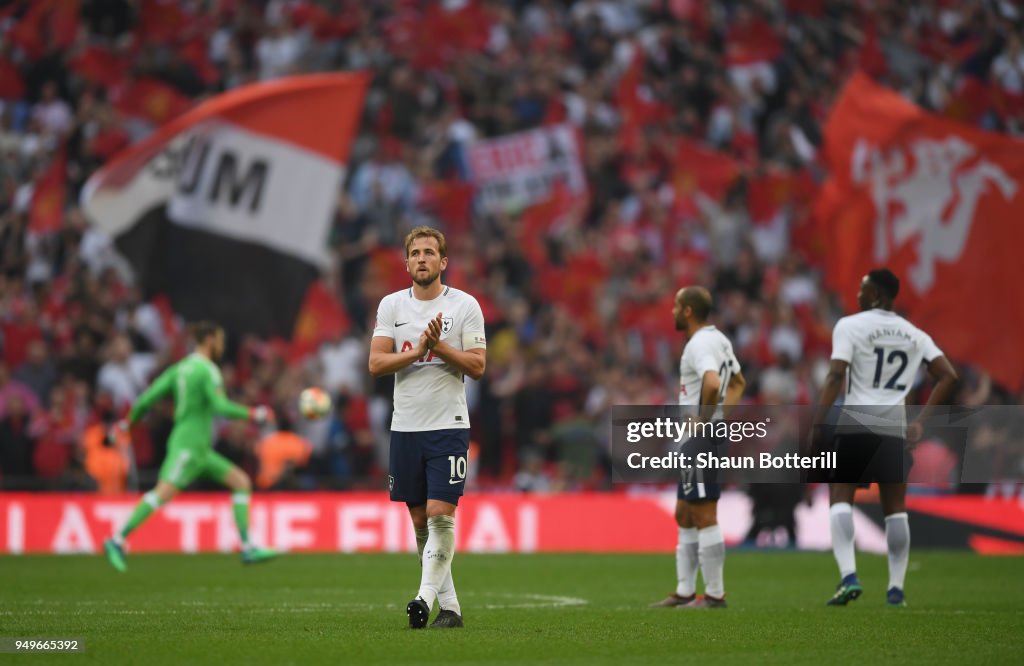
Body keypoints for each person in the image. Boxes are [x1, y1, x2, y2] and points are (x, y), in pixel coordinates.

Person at [810, 269, 958, 607]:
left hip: (857, 424)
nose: (858, 294)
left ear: (877, 294)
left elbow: (835, 374)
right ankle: (896, 589)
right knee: (895, 509)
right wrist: (920, 422)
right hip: (893, 428)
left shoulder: (850, 325)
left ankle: (849, 577)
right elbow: (948, 376)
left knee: (840, 496)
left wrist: (818, 424)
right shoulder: (914, 334)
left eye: (863, 289)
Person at [368, 226, 486, 629]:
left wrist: (440, 348)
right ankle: (450, 610)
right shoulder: (392, 307)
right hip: (405, 427)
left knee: (440, 514)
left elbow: (478, 366)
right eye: (415, 253)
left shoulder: (465, 306)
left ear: (443, 261)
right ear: (406, 263)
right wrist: (419, 350)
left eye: (429, 252)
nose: (422, 258)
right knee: (420, 521)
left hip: (448, 425)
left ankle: (422, 597)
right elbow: (376, 363)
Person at [102, 322, 278, 571]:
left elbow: (147, 399)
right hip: (188, 446)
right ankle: (117, 539)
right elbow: (220, 406)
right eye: (219, 340)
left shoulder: (180, 368)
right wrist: (254, 414)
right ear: (208, 340)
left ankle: (248, 547)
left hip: (200, 448)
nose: (222, 345)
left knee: (241, 482)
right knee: (162, 493)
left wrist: (127, 423)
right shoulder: (208, 370)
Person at [650, 286, 745, 609]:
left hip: (700, 438)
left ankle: (715, 595)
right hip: (699, 436)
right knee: (685, 512)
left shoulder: (700, 344)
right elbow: (738, 383)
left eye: (676, 306)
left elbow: (715, 382)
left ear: (688, 310)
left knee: (703, 513)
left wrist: (706, 420)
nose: (673, 311)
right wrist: (720, 416)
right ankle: (685, 591)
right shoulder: (719, 339)